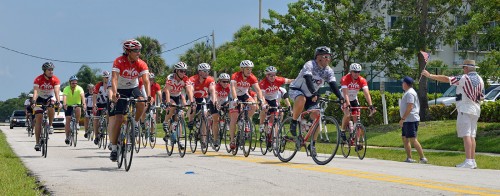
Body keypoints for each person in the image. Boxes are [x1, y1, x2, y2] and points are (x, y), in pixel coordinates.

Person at [421, 59, 484, 169]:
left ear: (466, 68)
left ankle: (468, 161)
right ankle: (472, 160)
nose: (463, 69)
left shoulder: (464, 78)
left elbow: (446, 79)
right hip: (476, 109)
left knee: (466, 135)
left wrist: (429, 75)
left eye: (463, 67)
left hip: (465, 108)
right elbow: (482, 96)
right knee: (472, 135)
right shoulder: (480, 79)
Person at [288, 46, 344, 151]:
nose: (328, 59)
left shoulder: (328, 70)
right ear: (318, 57)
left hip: (311, 95)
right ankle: (294, 121)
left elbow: (333, 84)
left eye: (329, 57)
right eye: (326, 56)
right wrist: (314, 93)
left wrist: (340, 97)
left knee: (318, 116)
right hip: (297, 89)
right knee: (301, 99)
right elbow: (308, 79)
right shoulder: (310, 65)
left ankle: (312, 144)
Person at [109, 39, 152, 162]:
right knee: (118, 119)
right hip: (121, 89)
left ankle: (136, 123)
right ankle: (113, 148)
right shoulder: (119, 61)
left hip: (133, 88)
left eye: (139, 50)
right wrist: (115, 92)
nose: (138, 52)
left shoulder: (141, 63)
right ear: (128, 51)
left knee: (142, 102)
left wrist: (148, 95)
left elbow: (146, 80)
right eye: (135, 50)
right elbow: (114, 79)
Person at [228, 60, 266, 150]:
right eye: (247, 69)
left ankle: (245, 119)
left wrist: (261, 100)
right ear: (242, 69)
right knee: (234, 118)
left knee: (254, 105)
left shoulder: (252, 77)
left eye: (251, 69)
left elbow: (258, 90)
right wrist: (235, 99)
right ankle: (232, 140)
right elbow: (233, 88)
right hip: (234, 95)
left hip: (244, 95)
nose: (249, 71)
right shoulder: (235, 75)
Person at [340, 63, 376, 150]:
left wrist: (371, 105)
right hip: (344, 98)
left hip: (354, 99)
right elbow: (345, 93)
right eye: (355, 72)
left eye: (358, 72)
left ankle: (357, 142)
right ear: (351, 72)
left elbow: (366, 93)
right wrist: (348, 104)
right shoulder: (345, 78)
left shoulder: (362, 80)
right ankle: (343, 131)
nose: (356, 74)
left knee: (357, 121)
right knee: (348, 114)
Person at [258, 66, 294, 148]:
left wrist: (299, 80)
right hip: (265, 99)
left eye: (274, 75)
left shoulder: (278, 79)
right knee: (264, 108)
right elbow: (262, 96)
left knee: (274, 120)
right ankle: (261, 125)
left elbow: (289, 81)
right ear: (267, 76)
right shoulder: (263, 83)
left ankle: (274, 140)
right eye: (271, 75)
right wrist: (264, 104)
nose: (273, 77)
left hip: (274, 100)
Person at [162, 61, 194, 150]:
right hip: (168, 95)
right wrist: (168, 102)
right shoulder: (170, 77)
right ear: (176, 71)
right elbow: (167, 90)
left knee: (181, 115)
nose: (183, 73)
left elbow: (188, 90)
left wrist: (191, 101)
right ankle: (165, 121)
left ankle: (179, 139)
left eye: (184, 71)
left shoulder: (185, 79)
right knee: (172, 106)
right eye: (181, 71)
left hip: (178, 96)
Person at [31, 62, 62, 151]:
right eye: (49, 70)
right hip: (40, 98)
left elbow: (56, 92)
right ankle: (37, 143)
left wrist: (58, 102)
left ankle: (51, 125)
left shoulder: (55, 79)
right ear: (44, 71)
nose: (51, 71)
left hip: (50, 97)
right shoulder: (38, 79)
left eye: (52, 70)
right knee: (39, 120)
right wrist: (33, 101)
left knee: (51, 106)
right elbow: (36, 92)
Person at [187, 63, 217, 149]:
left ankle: (203, 139)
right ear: (199, 72)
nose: (207, 73)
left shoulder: (210, 79)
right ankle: (190, 120)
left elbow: (212, 90)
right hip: (193, 97)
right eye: (204, 71)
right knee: (193, 106)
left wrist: (214, 100)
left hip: (203, 98)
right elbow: (190, 91)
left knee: (205, 116)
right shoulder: (192, 79)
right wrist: (192, 101)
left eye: (208, 71)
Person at [399, 76, 427, 164]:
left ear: (406, 84)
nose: (402, 84)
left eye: (403, 83)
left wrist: (403, 118)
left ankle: (422, 158)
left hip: (410, 119)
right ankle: (409, 157)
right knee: (404, 138)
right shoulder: (407, 92)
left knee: (412, 139)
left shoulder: (410, 93)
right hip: (407, 120)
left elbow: (410, 106)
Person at [62, 75, 86, 145]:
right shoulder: (66, 88)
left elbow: (82, 96)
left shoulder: (80, 88)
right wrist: (64, 104)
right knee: (68, 119)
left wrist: (84, 104)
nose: (74, 84)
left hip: (76, 104)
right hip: (68, 105)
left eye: (75, 83)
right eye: (73, 83)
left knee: (78, 108)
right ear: (70, 83)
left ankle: (77, 123)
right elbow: (64, 97)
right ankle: (67, 137)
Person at [211, 73, 231, 148]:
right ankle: (215, 139)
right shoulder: (216, 87)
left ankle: (229, 124)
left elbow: (232, 96)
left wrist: (229, 102)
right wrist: (216, 103)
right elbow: (215, 95)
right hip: (214, 102)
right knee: (216, 120)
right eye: (224, 81)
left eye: (227, 81)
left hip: (224, 102)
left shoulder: (229, 87)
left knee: (231, 112)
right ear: (219, 81)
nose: (226, 83)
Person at [92, 71, 110, 145]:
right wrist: (94, 105)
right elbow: (94, 95)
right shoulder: (99, 85)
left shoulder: (111, 85)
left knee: (110, 116)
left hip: (107, 103)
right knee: (96, 119)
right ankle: (96, 137)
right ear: (103, 78)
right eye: (105, 77)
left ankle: (108, 126)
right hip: (99, 103)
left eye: (107, 77)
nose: (106, 79)